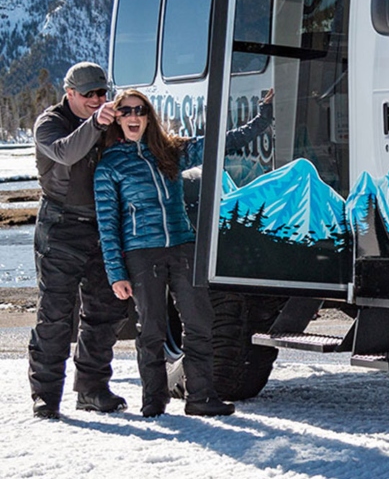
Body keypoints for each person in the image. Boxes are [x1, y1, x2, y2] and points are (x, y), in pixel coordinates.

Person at [93, 88, 274, 417]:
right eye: (126, 112)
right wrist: (116, 273)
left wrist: (263, 118)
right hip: (141, 253)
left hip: (181, 247)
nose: (134, 117)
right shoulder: (110, 165)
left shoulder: (170, 151)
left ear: (149, 116)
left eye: (140, 110)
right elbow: (107, 225)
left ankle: (201, 398)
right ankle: (153, 401)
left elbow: (221, 142)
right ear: (116, 119)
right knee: (151, 330)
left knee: (200, 323)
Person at [28, 61, 130, 420]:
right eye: (89, 94)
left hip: (103, 227)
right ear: (69, 93)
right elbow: (67, 152)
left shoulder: (108, 117)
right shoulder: (49, 123)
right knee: (55, 314)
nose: (98, 99)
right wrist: (96, 123)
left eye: (102, 92)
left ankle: (91, 388)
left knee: (106, 311)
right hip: (60, 226)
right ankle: (45, 395)